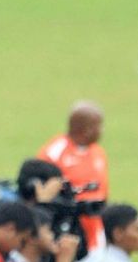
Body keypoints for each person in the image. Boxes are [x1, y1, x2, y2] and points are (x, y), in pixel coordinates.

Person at [37, 101, 108, 250]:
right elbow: (41, 197)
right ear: (86, 129)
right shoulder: (54, 154)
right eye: (99, 125)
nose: (102, 130)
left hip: (96, 230)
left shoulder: (97, 151)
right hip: (67, 234)